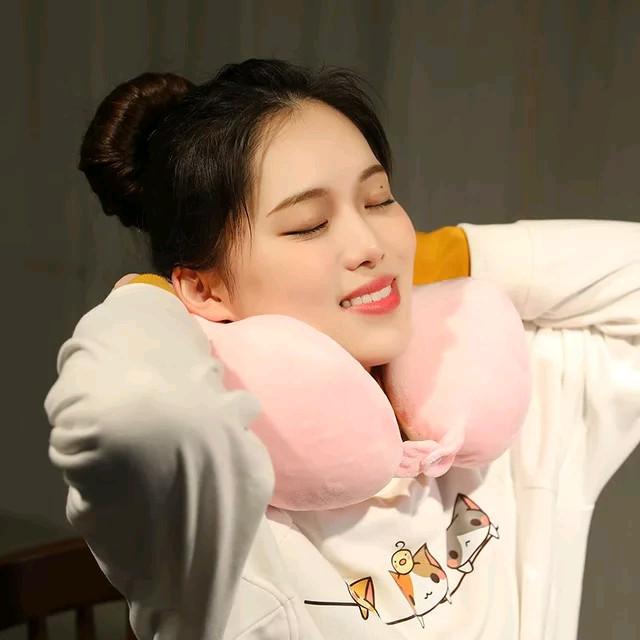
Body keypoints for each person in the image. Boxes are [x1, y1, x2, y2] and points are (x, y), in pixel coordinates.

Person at [44, 58, 640, 640]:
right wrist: (154, 299)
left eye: (378, 200)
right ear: (203, 286)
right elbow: (130, 414)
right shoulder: (210, 498)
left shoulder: (508, 403)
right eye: (309, 224)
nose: (370, 243)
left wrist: (451, 255)